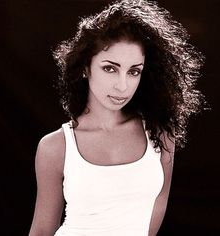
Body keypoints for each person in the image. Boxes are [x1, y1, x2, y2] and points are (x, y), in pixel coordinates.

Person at [29, 0, 204, 235]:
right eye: (110, 68)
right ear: (85, 67)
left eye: (134, 71)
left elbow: (157, 206)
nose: (123, 86)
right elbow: (41, 231)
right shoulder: (56, 147)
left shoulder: (160, 133)